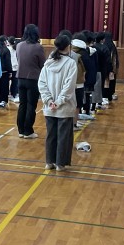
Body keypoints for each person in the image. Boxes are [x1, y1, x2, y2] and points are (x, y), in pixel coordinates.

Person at [38, 35, 77, 171]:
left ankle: (49, 162)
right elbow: (69, 86)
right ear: (68, 46)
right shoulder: (71, 63)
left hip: (50, 107)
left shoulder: (48, 63)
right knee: (64, 136)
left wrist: (49, 101)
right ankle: (60, 163)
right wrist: (58, 102)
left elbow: (41, 83)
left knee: (51, 135)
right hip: (64, 107)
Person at [16, 24, 46, 138]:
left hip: (20, 78)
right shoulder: (38, 47)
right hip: (33, 79)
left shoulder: (19, 45)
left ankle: (21, 130)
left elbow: (18, 59)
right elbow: (42, 64)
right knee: (31, 105)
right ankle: (28, 131)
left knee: (22, 104)